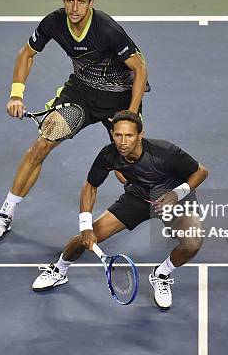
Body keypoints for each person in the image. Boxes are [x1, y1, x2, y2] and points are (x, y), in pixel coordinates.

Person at [0, 0, 149, 241]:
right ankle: (6, 213)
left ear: (91, 2)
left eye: (81, 2)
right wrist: (16, 94)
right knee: (42, 144)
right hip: (80, 94)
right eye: (70, 1)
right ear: (63, 0)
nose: (74, 9)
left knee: (125, 169)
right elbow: (27, 53)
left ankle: (164, 203)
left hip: (118, 100)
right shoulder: (54, 22)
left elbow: (140, 70)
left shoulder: (107, 30)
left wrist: (129, 114)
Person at [31, 111, 208, 309]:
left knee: (192, 242)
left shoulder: (164, 152)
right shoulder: (109, 155)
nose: (123, 142)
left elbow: (201, 171)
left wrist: (177, 193)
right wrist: (86, 227)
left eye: (129, 135)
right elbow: (90, 186)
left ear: (141, 134)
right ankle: (59, 270)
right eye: (118, 135)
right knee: (86, 237)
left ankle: (161, 274)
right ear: (112, 134)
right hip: (138, 199)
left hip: (174, 199)